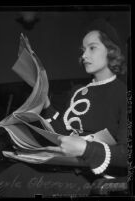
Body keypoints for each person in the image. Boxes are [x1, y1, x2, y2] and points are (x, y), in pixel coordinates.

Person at [41, 18, 127, 177]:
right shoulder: (78, 91)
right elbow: (65, 136)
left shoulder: (123, 94)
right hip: (73, 170)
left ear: (111, 51)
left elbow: (126, 154)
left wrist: (86, 148)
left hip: (102, 180)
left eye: (92, 48)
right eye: (83, 50)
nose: (84, 55)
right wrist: (47, 105)